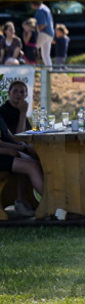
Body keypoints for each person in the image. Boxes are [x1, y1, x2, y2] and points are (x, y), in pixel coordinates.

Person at [0, 83, 43, 218]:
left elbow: (12, 137)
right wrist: (16, 149)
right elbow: (15, 139)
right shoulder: (5, 111)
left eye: (22, 92)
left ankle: (23, 200)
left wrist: (22, 148)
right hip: (3, 155)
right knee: (32, 164)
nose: (19, 95)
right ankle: (52, 201)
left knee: (36, 158)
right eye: (15, 91)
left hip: (9, 151)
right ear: (9, 93)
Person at [30, 2, 53, 67]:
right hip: (50, 34)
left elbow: (43, 24)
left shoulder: (40, 11)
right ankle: (50, 71)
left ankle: (32, 68)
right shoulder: (46, 8)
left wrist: (35, 32)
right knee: (46, 55)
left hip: (43, 33)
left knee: (32, 48)